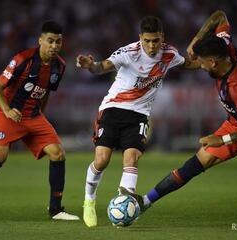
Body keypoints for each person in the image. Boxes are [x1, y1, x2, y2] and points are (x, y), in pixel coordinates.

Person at [121, 10, 237, 217]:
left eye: (201, 62)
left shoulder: (235, 87)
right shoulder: (226, 49)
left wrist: (223, 140)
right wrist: (196, 40)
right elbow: (219, 16)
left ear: (212, 63)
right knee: (195, 164)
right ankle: (144, 202)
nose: (198, 65)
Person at [76, 16, 199, 227]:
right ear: (140, 38)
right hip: (112, 110)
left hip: (139, 115)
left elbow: (190, 63)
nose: (151, 46)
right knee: (102, 160)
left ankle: (125, 208)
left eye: (156, 41)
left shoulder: (169, 54)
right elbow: (102, 66)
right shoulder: (128, 53)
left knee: (131, 158)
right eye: (147, 40)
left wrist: (207, 60)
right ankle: (89, 200)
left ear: (162, 38)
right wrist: (90, 66)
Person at [0, 21, 79, 223]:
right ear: (40, 40)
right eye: (50, 41)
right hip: (9, 115)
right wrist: (7, 110)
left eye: (58, 41)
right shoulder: (23, 59)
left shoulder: (60, 66)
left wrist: (41, 115)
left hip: (34, 116)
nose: (54, 45)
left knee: (58, 154)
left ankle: (56, 210)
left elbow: (46, 92)